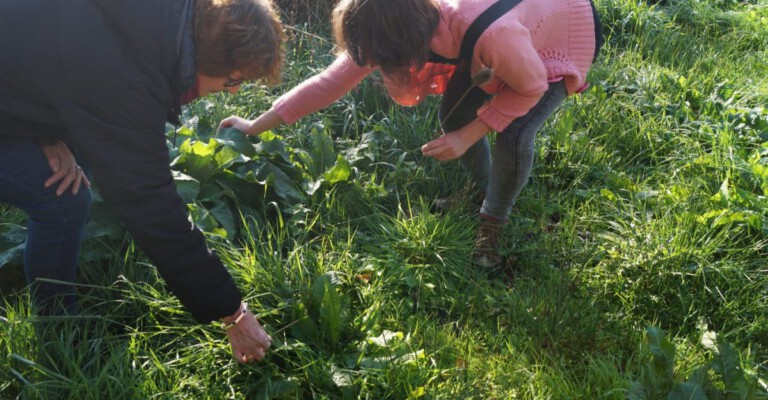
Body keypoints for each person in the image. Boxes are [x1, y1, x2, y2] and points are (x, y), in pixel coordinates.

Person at [219, 0, 603, 271]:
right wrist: (254, 126)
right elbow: (327, 84)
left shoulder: (488, 34)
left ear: (405, 45)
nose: (379, 69)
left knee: (514, 133)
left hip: (558, 37)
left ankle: (492, 225)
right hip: (507, 44)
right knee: (453, 115)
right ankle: (483, 191)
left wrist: (468, 137)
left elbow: (530, 87)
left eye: (384, 62)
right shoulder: (396, 23)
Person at [0, 0, 283, 363]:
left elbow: (52, 51)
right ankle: (59, 336)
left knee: (81, 160)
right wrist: (232, 312)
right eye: (234, 80)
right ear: (204, 57)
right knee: (63, 200)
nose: (232, 92)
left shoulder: (159, 18)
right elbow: (152, 207)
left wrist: (49, 132)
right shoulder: (124, 80)